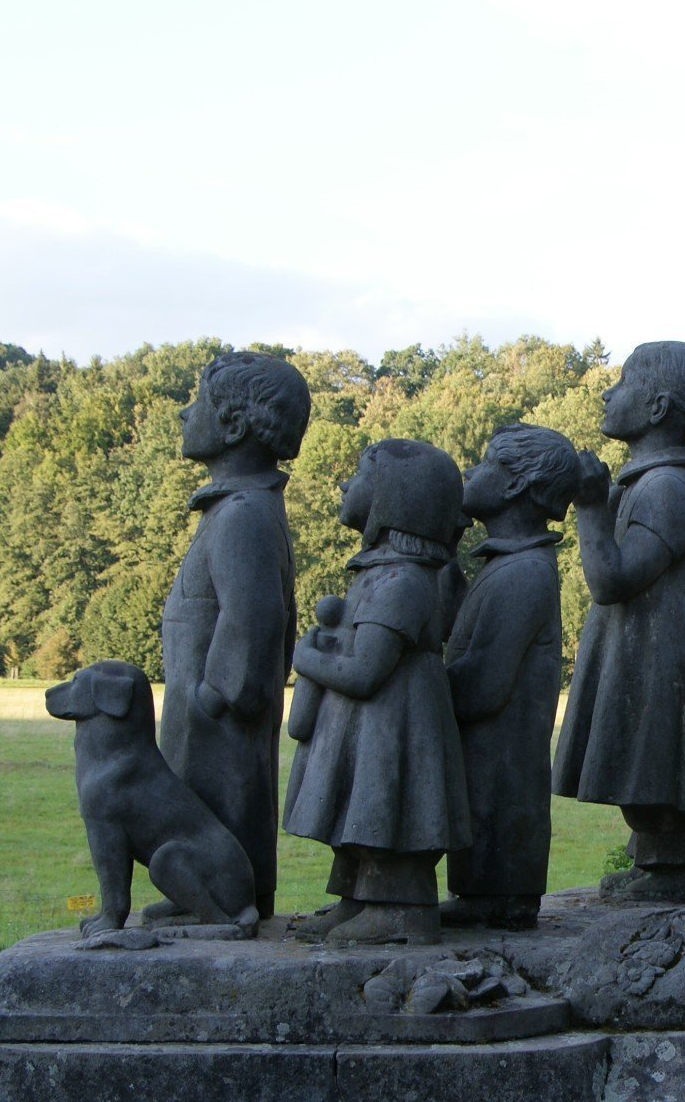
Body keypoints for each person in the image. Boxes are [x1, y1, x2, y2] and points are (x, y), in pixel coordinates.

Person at [552, 342, 685, 902]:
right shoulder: (653, 481)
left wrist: (590, 505)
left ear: (658, 407)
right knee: (644, 749)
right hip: (651, 637)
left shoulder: (665, 489)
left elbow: (612, 580)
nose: (608, 393)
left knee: (656, 747)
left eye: (622, 382)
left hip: (666, 646)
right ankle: (660, 860)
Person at [283, 439, 471, 944]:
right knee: (363, 811)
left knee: (388, 808)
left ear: (395, 499)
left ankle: (402, 910)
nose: (345, 484)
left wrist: (305, 658)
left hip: (395, 722)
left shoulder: (403, 580)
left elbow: (366, 672)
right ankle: (359, 899)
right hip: (373, 723)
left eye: (359, 474)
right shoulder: (383, 572)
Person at [158, 350, 308, 924]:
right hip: (202, 713)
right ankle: (201, 897)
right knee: (196, 803)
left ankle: (225, 901)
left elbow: (251, 618)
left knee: (223, 805)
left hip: (216, 717)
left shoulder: (243, 514)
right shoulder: (238, 508)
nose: (184, 413)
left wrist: (216, 694)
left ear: (235, 424)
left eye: (197, 400)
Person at [442, 423, 582, 929]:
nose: (470, 472)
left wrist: (414, 689)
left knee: (496, 806)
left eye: (484, 464)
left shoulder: (524, 573)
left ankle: (501, 897)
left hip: (502, 756)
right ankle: (484, 894)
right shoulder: (509, 566)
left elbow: (483, 685)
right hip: (488, 757)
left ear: (516, 484)